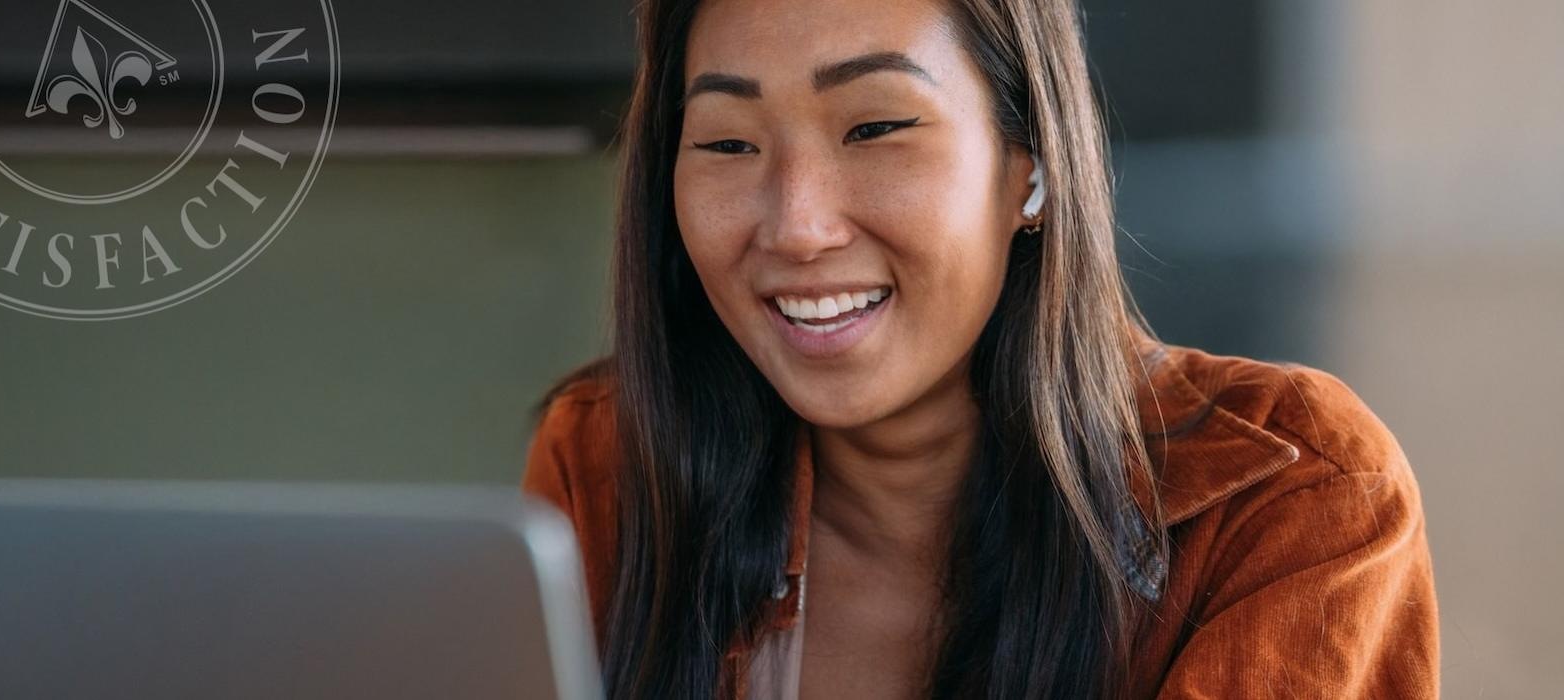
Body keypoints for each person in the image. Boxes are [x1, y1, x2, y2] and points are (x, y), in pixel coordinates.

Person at [521, 0, 1440, 697]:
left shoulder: (1293, 494)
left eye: (875, 128)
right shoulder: (606, 461)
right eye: (727, 142)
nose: (796, 226)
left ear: (1029, 166)